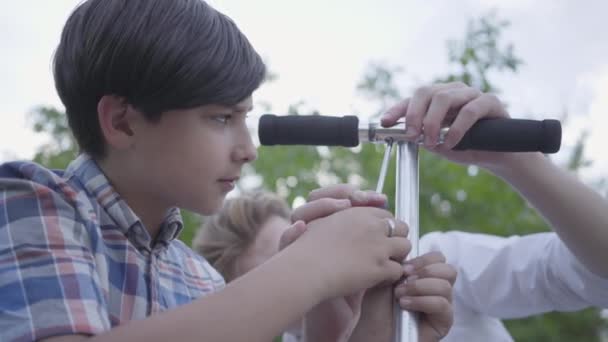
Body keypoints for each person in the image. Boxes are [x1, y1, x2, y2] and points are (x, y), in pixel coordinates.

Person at [0, 1, 450, 341]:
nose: (248, 150)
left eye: (245, 118)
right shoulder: (30, 204)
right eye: (221, 118)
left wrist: (366, 320)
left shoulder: (200, 280)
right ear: (122, 121)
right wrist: (309, 269)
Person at [304, 82, 608, 341]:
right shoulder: (300, 323)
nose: (307, 246)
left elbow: (592, 274)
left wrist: (516, 160)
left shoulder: (439, 256)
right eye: (287, 251)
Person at [194, 191, 456, 341]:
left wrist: (494, 159)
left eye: (298, 251)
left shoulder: (433, 253)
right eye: (277, 281)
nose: (316, 273)